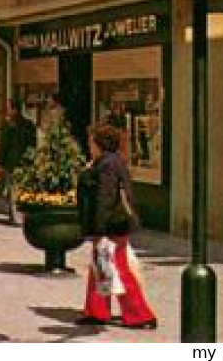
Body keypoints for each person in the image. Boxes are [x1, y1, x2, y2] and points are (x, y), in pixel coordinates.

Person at [76, 122, 157, 330]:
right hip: (113, 223)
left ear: (99, 143)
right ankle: (97, 311)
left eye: (91, 142)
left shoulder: (107, 164)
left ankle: (140, 314)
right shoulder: (110, 162)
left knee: (118, 268)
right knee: (100, 267)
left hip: (111, 225)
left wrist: (99, 229)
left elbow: (105, 197)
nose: (89, 146)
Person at [0, 101, 38, 219]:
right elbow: (33, 144)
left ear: (15, 110)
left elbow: (4, 145)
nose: (7, 111)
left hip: (13, 161)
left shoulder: (10, 125)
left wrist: (0, 161)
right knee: (21, 187)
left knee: (13, 187)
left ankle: (15, 215)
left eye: (9, 108)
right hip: (24, 161)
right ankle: (19, 213)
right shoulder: (28, 124)